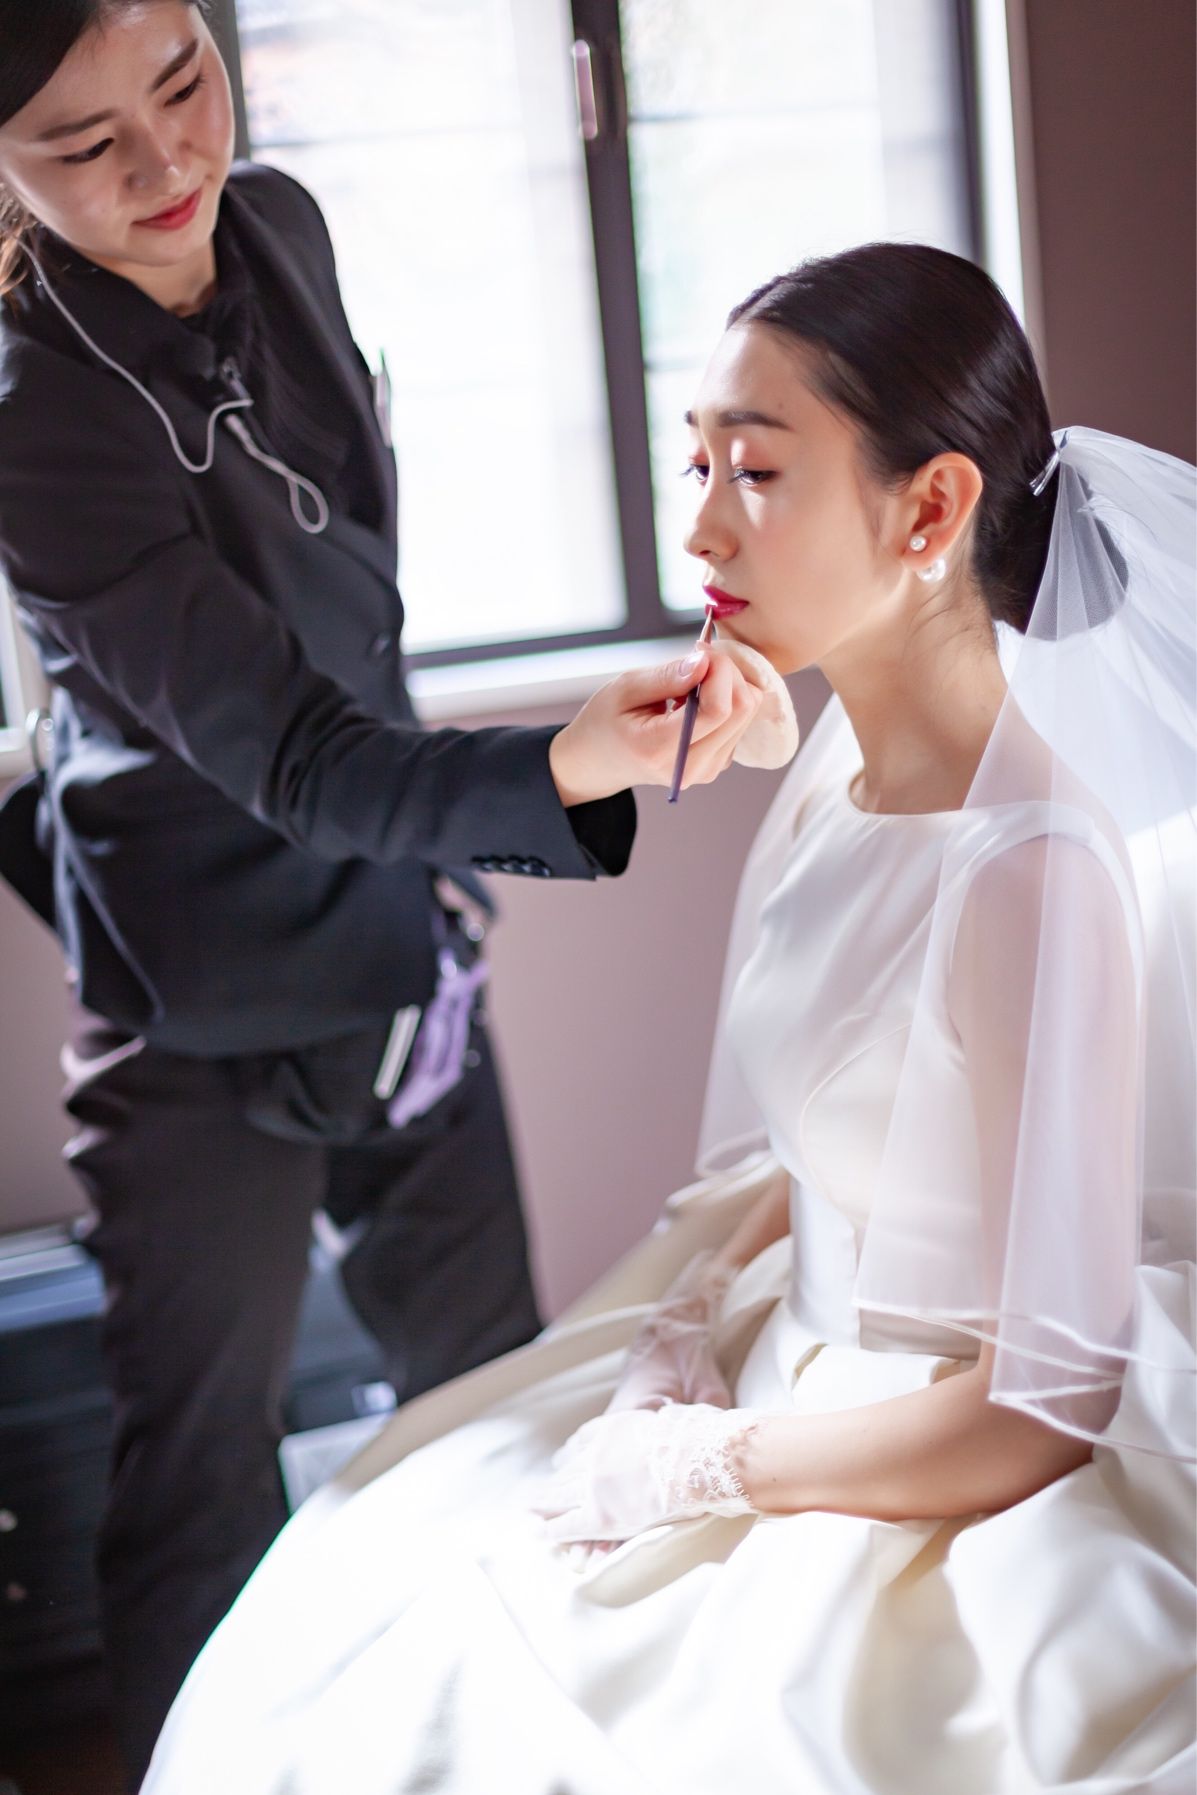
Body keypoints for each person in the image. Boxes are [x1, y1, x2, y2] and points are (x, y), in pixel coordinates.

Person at [138, 245, 1196, 1793]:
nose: (698, 527)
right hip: (783, 1347)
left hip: (935, 1441)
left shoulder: (1029, 873)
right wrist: (693, 1314)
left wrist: (710, 1466)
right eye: (697, 463)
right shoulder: (836, 773)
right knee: (360, 1594)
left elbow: (1040, 1406)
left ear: (929, 511)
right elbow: (840, 1139)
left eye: (753, 472)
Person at [0, 2, 765, 1780]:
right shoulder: (35, 425)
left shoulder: (279, 224)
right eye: (82, 146)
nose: (168, 162)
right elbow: (298, 752)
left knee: (502, 1398)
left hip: (397, 944)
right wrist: (567, 763)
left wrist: (476, 838)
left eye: (182, 82)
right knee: (197, 1493)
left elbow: (349, 626)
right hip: (199, 998)